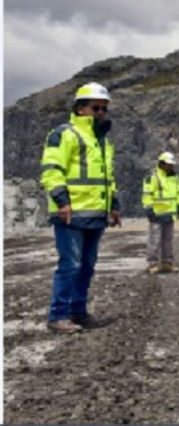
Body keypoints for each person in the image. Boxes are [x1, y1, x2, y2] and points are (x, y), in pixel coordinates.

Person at [40, 82, 122, 334]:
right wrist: (62, 201)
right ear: (80, 108)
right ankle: (58, 316)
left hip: (95, 214)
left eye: (104, 109)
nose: (100, 113)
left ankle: (78, 312)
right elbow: (51, 170)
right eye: (96, 108)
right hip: (70, 214)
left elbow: (108, 179)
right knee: (70, 265)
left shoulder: (102, 142)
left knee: (87, 265)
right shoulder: (64, 134)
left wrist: (114, 205)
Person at [142, 151, 179, 274]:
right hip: (157, 213)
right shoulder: (152, 177)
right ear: (161, 164)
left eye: (171, 165)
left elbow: (178, 193)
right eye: (168, 164)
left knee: (168, 240)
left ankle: (167, 263)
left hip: (170, 213)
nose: (170, 167)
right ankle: (152, 264)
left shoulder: (174, 177)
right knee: (154, 240)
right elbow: (147, 194)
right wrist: (149, 209)